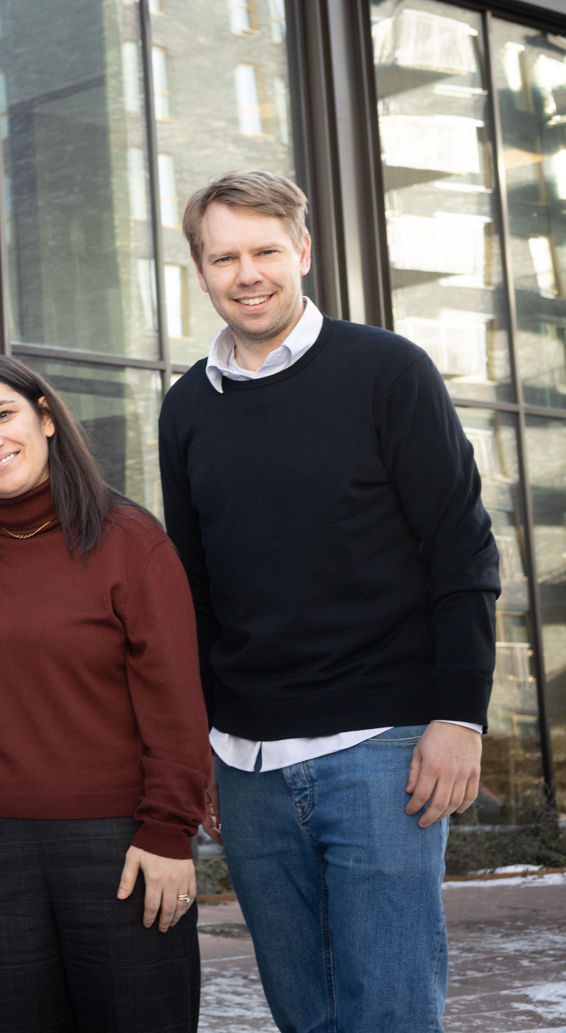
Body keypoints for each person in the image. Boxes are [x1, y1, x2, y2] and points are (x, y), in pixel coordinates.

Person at [160, 170, 498, 1032]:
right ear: (199, 269)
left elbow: (460, 547)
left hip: (385, 753)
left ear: (302, 251)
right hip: (247, 765)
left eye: (266, 250)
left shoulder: (388, 370)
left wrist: (459, 716)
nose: (248, 273)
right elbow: (193, 589)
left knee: (387, 1015)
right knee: (305, 1018)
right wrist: (198, 742)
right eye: (224, 256)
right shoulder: (186, 407)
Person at [0, 353, 210, 1033]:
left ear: (45, 417)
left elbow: (174, 705)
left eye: (1, 415)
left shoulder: (129, 542)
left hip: (120, 846)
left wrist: (169, 832)